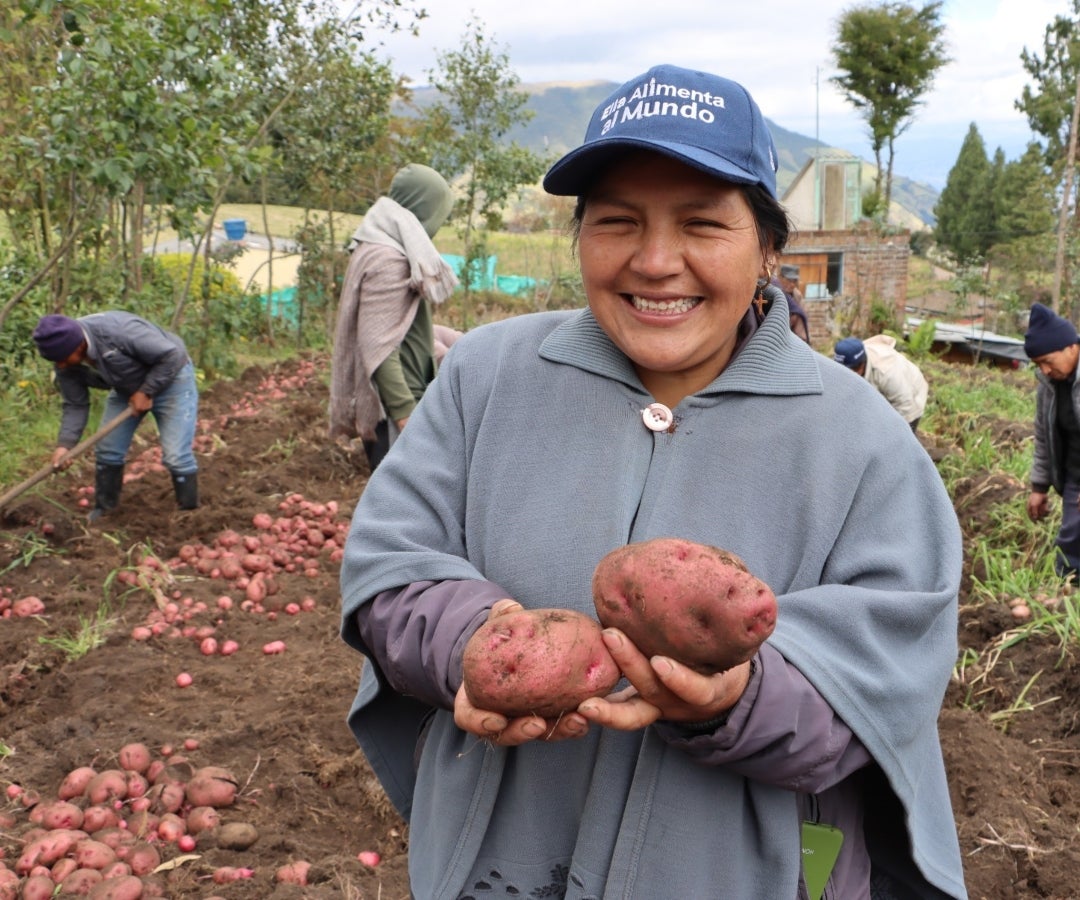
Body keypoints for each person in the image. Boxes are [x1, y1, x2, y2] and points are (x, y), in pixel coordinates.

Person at [339, 64, 965, 899]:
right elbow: (390, 566)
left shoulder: (866, 444)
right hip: (493, 871)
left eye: (703, 223)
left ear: (769, 248)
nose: (656, 261)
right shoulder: (487, 376)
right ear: (580, 235)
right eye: (618, 221)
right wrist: (473, 641)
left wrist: (735, 695)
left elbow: (887, 682)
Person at [328, 163, 458, 471]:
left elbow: (397, 325)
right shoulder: (390, 259)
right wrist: (406, 416)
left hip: (406, 401)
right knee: (401, 513)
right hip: (395, 413)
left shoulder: (383, 246)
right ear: (424, 209)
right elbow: (378, 346)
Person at [32, 310, 199, 519]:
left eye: (63, 359)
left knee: (176, 456)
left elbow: (172, 355)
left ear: (79, 345)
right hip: (126, 387)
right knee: (108, 449)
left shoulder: (119, 332)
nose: (60, 366)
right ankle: (105, 511)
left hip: (173, 378)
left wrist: (147, 390)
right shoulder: (64, 363)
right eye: (56, 361)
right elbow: (75, 405)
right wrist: (65, 446)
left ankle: (189, 515)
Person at [1023, 301, 1080, 578]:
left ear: (1071, 347)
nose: (1044, 370)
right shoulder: (1049, 385)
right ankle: (1065, 602)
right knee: (1071, 538)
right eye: (1038, 364)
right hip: (1074, 473)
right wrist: (1039, 486)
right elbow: (1044, 438)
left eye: (1047, 361)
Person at [833, 334, 929, 431]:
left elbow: (905, 405)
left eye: (849, 371)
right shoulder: (847, 363)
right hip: (881, 391)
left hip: (909, 399)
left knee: (897, 439)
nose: (845, 375)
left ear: (862, 364)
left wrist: (888, 431)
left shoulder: (887, 372)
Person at [771, 262, 810, 341]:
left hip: (794, 339)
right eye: (789, 280)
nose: (792, 284)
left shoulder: (797, 296)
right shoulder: (772, 292)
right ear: (780, 278)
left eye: (795, 281)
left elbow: (802, 317)